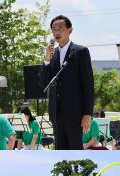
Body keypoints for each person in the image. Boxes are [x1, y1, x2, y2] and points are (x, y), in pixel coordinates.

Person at [39, 15, 95, 150]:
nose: (57, 32)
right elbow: (43, 82)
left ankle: (77, 172)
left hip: (75, 113)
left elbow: (88, 84)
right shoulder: (52, 54)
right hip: (56, 113)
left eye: (60, 29)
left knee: (75, 150)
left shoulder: (81, 52)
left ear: (70, 30)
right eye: (54, 29)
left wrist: (88, 113)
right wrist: (46, 60)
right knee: (60, 151)